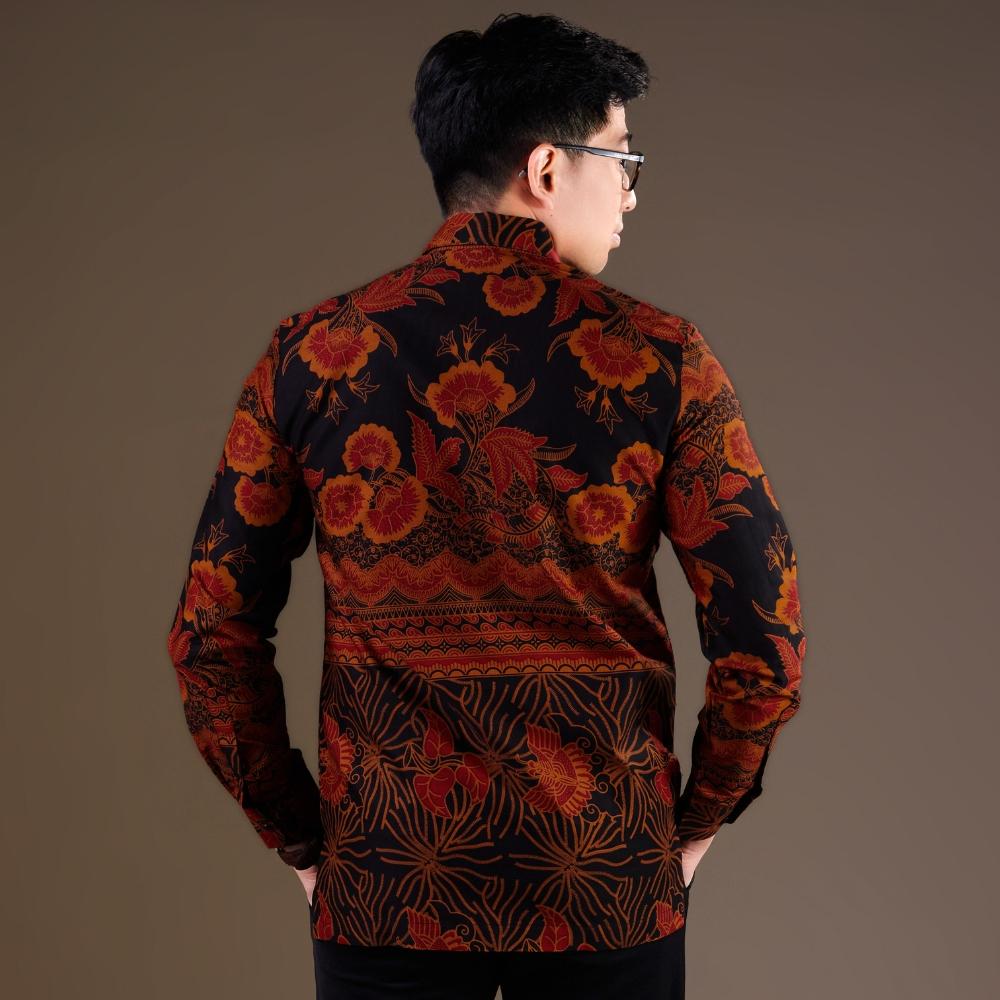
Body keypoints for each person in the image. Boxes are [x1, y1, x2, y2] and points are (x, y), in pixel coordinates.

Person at [165, 12, 806, 999]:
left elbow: (210, 636)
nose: (632, 192)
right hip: (604, 883)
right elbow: (765, 640)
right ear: (548, 167)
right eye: (622, 157)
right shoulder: (661, 358)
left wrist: (304, 840)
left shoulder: (313, 356)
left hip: (388, 884)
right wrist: (685, 832)